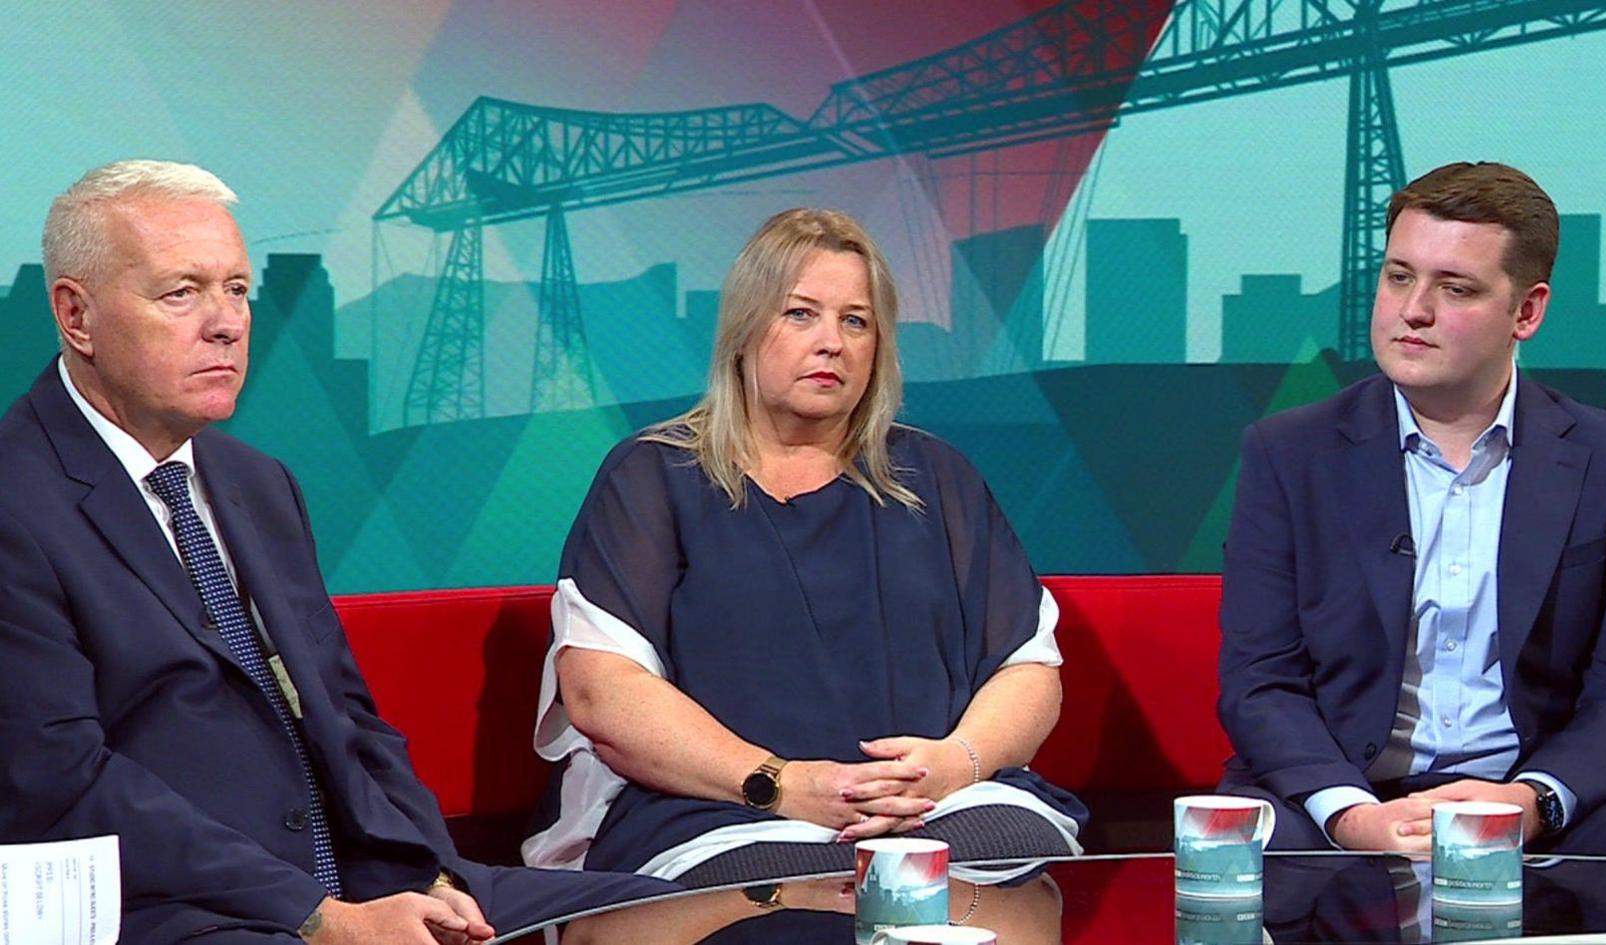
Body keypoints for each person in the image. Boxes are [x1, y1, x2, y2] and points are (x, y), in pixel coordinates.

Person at [0, 160, 669, 945]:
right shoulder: (17, 499)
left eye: (237, 289)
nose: (227, 322)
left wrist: (435, 872)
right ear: (76, 315)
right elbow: (61, 784)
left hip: (361, 878)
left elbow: (349, 715)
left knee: (701, 912)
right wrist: (321, 918)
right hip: (174, 907)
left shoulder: (258, 483)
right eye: (182, 292)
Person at [521, 208, 1086, 885]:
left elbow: (1027, 668)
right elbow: (603, 693)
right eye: (800, 314)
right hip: (719, 810)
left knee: (1008, 884)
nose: (832, 343)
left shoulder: (938, 477)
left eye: (856, 320)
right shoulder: (653, 475)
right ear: (743, 331)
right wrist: (780, 784)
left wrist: (953, 763)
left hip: (936, 807)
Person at [1217, 161, 1606, 855]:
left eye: (1454, 287)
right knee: (1247, 852)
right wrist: (1354, 816)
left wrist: (1531, 800)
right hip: (1338, 797)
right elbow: (1261, 681)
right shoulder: (1288, 453)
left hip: (1527, 796)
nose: (1413, 310)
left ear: (1526, 311)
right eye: (1399, 275)